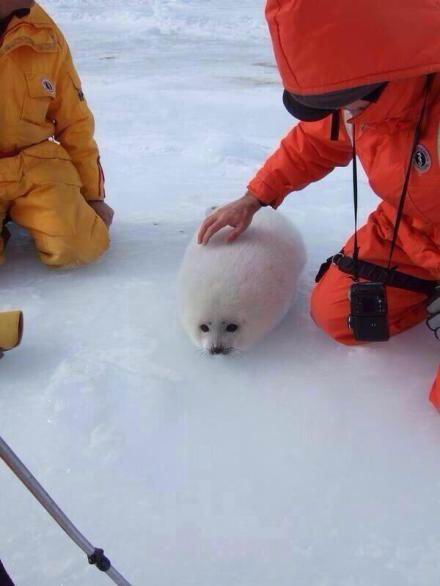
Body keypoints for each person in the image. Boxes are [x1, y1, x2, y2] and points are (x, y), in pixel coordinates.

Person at [198, 0, 440, 406]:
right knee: (340, 314)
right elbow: (312, 143)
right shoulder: (357, 101)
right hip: (406, 229)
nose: (340, 115)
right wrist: (254, 197)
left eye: (342, 101)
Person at [0, 0, 114, 353]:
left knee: (81, 244)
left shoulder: (44, 32)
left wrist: (92, 196)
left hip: (34, 161)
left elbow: (74, 120)